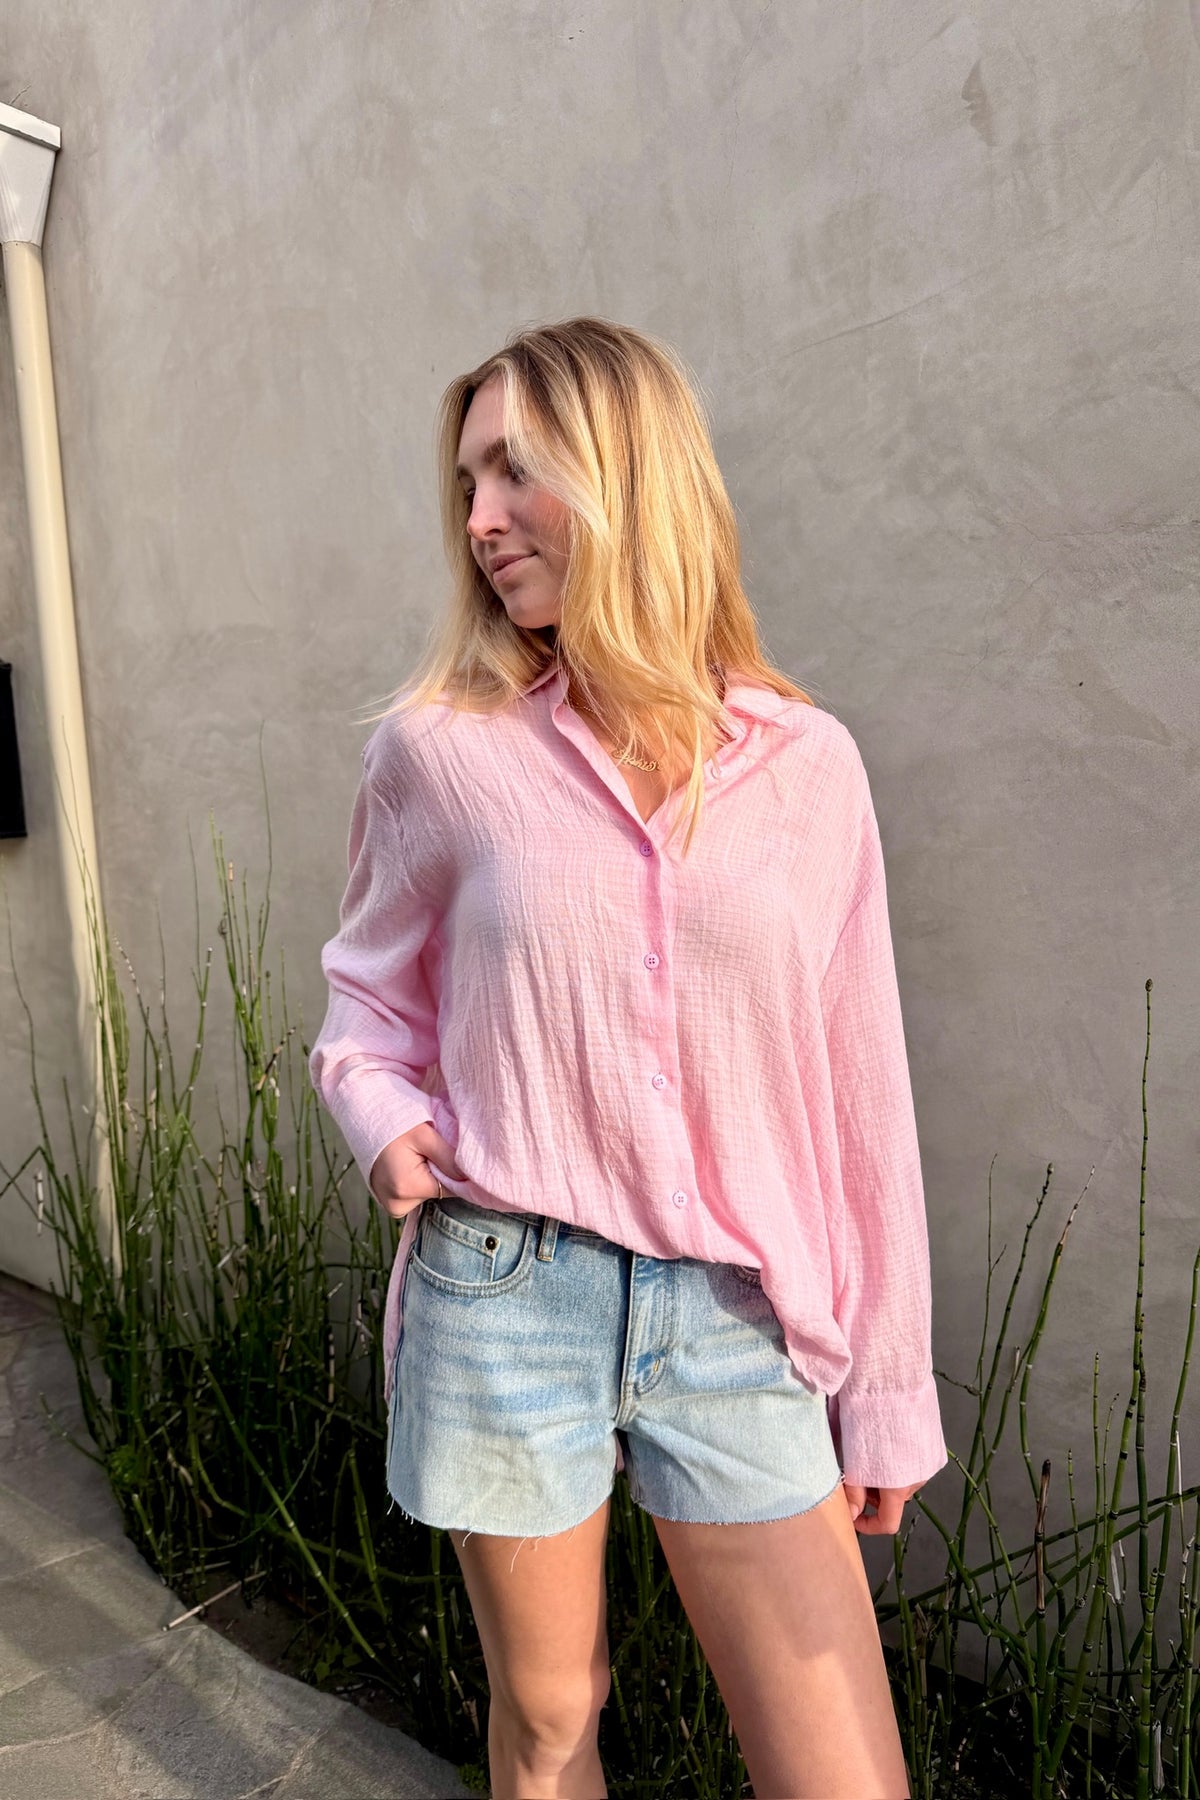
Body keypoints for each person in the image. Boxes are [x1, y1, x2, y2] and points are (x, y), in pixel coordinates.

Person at [309, 315, 948, 1800]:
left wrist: (887, 1387)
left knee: (843, 1773)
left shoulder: (807, 769)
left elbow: (864, 1092)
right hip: (505, 1288)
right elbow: (364, 1004)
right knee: (548, 1723)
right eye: (467, 483)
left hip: (738, 1314)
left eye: (514, 470)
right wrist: (381, 1111)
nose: (479, 520)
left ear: (629, 474)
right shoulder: (438, 752)